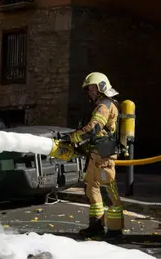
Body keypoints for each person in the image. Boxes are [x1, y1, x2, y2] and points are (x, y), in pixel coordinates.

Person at [50, 72, 123, 239]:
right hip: (96, 155)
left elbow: (93, 128)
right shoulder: (101, 104)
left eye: (92, 89)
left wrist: (72, 138)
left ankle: (115, 229)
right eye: (89, 89)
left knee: (109, 191)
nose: (90, 92)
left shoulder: (104, 105)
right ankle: (96, 226)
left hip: (104, 157)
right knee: (92, 189)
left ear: (102, 88)